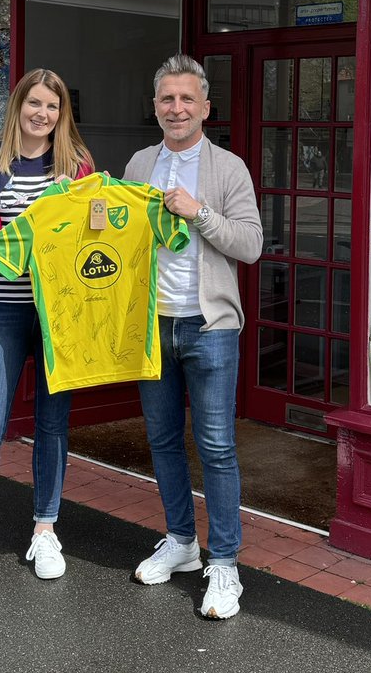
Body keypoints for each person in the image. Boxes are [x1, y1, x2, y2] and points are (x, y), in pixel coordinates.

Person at [123, 54, 262, 620]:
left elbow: (250, 245)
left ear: (206, 107)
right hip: (152, 327)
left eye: (186, 99)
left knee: (217, 448)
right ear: (154, 106)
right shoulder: (137, 163)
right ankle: (181, 543)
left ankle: (224, 563)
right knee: (161, 441)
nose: (176, 108)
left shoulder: (229, 168)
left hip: (209, 328)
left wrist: (199, 211)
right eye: (166, 99)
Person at [0, 68, 93, 584]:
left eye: (52, 106)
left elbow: (93, 236)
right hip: (1, 310)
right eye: (34, 103)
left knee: (52, 427)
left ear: (62, 113)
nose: (42, 114)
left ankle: (45, 532)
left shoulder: (77, 166)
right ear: (18, 106)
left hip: (60, 317)